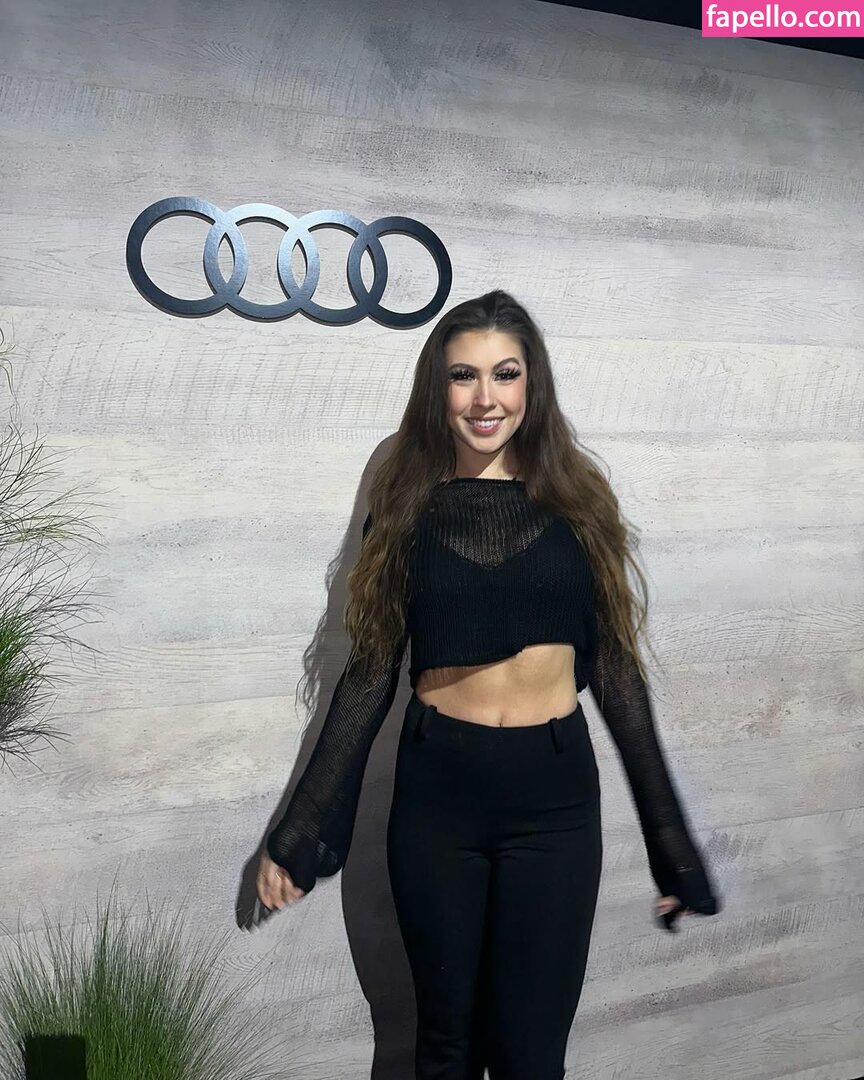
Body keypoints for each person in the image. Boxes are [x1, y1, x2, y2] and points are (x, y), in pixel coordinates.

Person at [256, 289, 721, 1080]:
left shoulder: (579, 501)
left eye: (504, 374)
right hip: (439, 797)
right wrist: (300, 830)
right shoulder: (404, 505)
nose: (484, 398)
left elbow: (616, 669)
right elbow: (368, 674)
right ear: (436, 389)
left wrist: (671, 844)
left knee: (531, 1058)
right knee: (444, 1048)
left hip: (554, 804)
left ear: (531, 384)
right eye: (463, 375)